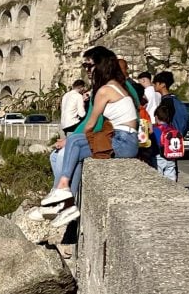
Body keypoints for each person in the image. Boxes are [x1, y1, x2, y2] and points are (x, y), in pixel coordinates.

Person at [41, 53, 142, 227]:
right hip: (124, 139)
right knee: (76, 148)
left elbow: (91, 123)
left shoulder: (104, 90)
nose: (86, 70)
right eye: (85, 66)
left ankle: (63, 195)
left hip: (123, 141)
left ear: (101, 67)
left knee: (73, 144)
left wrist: (72, 139)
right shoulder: (117, 86)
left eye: (89, 66)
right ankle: (66, 204)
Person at [151, 71, 189, 182]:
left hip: (165, 142)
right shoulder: (174, 99)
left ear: (162, 84)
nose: (154, 85)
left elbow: (165, 121)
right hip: (174, 139)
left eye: (156, 83)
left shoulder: (166, 102)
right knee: (171, 167)